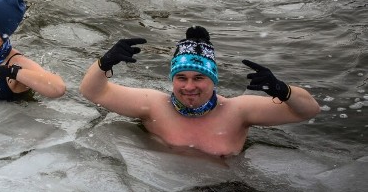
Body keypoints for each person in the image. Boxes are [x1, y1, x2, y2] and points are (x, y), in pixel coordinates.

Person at [78, 26, 321, 157]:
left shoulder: (238, 110)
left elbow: (307, 111)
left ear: (213, 80)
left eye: (199, 78)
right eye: (181, 78)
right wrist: (105, 63)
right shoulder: (153, 104)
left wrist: (283, 90)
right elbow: (92, 92)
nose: (189, 86)